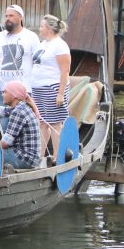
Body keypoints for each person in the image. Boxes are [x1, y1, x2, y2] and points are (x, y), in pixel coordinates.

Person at [0, 4, 41, 98]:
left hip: (23, 90)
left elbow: (38, 63)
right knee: (0, 113)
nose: (7, 18)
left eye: (11, 16)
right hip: (2, 90)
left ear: (20, 17)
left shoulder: (31, 37)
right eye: (6, 16)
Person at [32, 14, 71, 159]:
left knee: (54, 122)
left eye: (42, 26)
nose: (39, 29)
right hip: (38, 88)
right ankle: (40, 155)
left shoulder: (60, 45)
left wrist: (60, 93)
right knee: (42, 122)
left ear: (49, 28)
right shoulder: (43, 44)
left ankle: (57, 155)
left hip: (52, 87)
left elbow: (65, 70)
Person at [0, 81, 42, 170]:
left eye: (5, 92)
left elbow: (6, 143)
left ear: (14, 96)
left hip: (23, 159)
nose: (2, 95)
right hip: (32, 159)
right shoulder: (23, 107)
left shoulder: (18, 112)